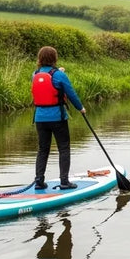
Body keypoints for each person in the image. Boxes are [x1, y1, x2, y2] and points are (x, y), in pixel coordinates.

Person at [32, 46, 85, 190]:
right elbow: (71, 93)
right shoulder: (59, 75)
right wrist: (80, 108)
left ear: (40, 59)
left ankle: (39, 181)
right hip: (57, 118)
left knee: (43, 150)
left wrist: (58, 73)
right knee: (63, 148)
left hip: (40, 119)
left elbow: (47, 81)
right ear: (54, 59)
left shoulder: (35, 74)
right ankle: (64, 182)